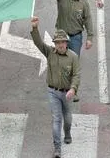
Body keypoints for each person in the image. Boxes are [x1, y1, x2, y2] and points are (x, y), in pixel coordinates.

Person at [30, 17, 78, 158]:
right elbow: (38, 43)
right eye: (57, 43)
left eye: (62, 42)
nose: (60, 45)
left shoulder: (73, 57)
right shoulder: (50, 53)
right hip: (53, 92)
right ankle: (57, 148)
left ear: (66, 43)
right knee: (57, 118)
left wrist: (73, 89)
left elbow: (77, 75)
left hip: (67, 93)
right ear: (55, 44)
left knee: (67, 118)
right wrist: (34, 28)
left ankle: (67, 133)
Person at [42, 0, 94, 64]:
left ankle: (71, 79)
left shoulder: (84, 3)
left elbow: (88, 19)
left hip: (76, 38)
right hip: (61, 37)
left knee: (73, 62)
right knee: (60, 62)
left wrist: (89, 38)